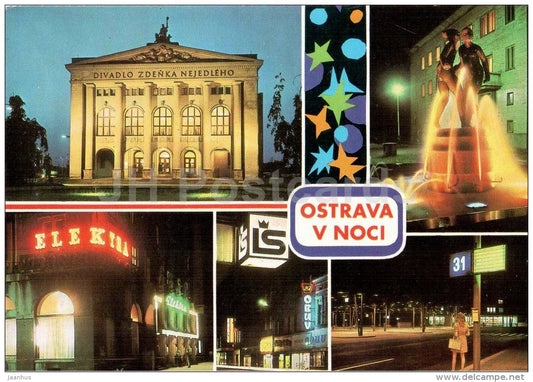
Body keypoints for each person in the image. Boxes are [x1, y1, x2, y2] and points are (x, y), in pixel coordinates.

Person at [456, 27, 491, 127]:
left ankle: (469, 122)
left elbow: (484, 60)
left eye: (464, 34)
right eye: (462, 35)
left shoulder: (476, 48)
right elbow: (462, 64)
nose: (462, 37)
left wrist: (487, 73)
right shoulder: (461, 49)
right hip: (468, 76)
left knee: (470, 98)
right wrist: (454, 69)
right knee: (465, 99)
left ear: (469, 36)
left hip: (477, 74)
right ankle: (477, 118)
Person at [434, 28, 460, 128]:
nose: (459, 37)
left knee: (444, 99)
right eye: (457, 35)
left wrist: (440, 67)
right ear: (453, 36)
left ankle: (435, 121)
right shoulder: (451, 44)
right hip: (446, 72)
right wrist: (443, 65)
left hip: (440, 75)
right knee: (460, 94)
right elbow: (441, 56)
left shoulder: (451, 44)